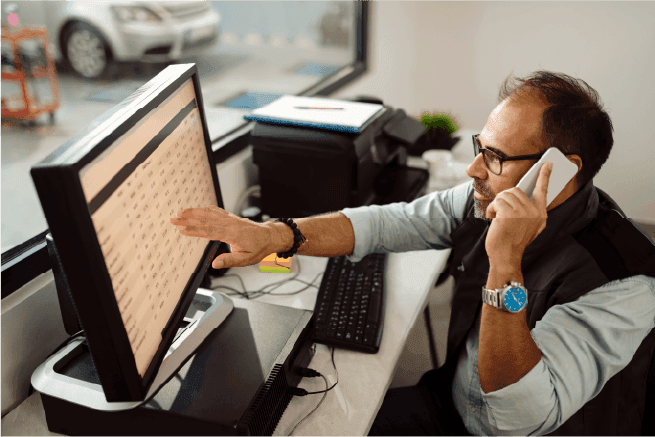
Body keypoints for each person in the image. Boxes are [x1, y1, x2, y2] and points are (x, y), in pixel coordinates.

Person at [170, 70, 655, 436]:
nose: (472, 171)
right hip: (450, 399)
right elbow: (393, 222)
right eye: (480, 148)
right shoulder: (483, 199)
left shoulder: (623, 280)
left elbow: (517, 420)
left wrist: (505, 264)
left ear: (561, 172)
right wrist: (276, 236)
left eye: (495, 158)